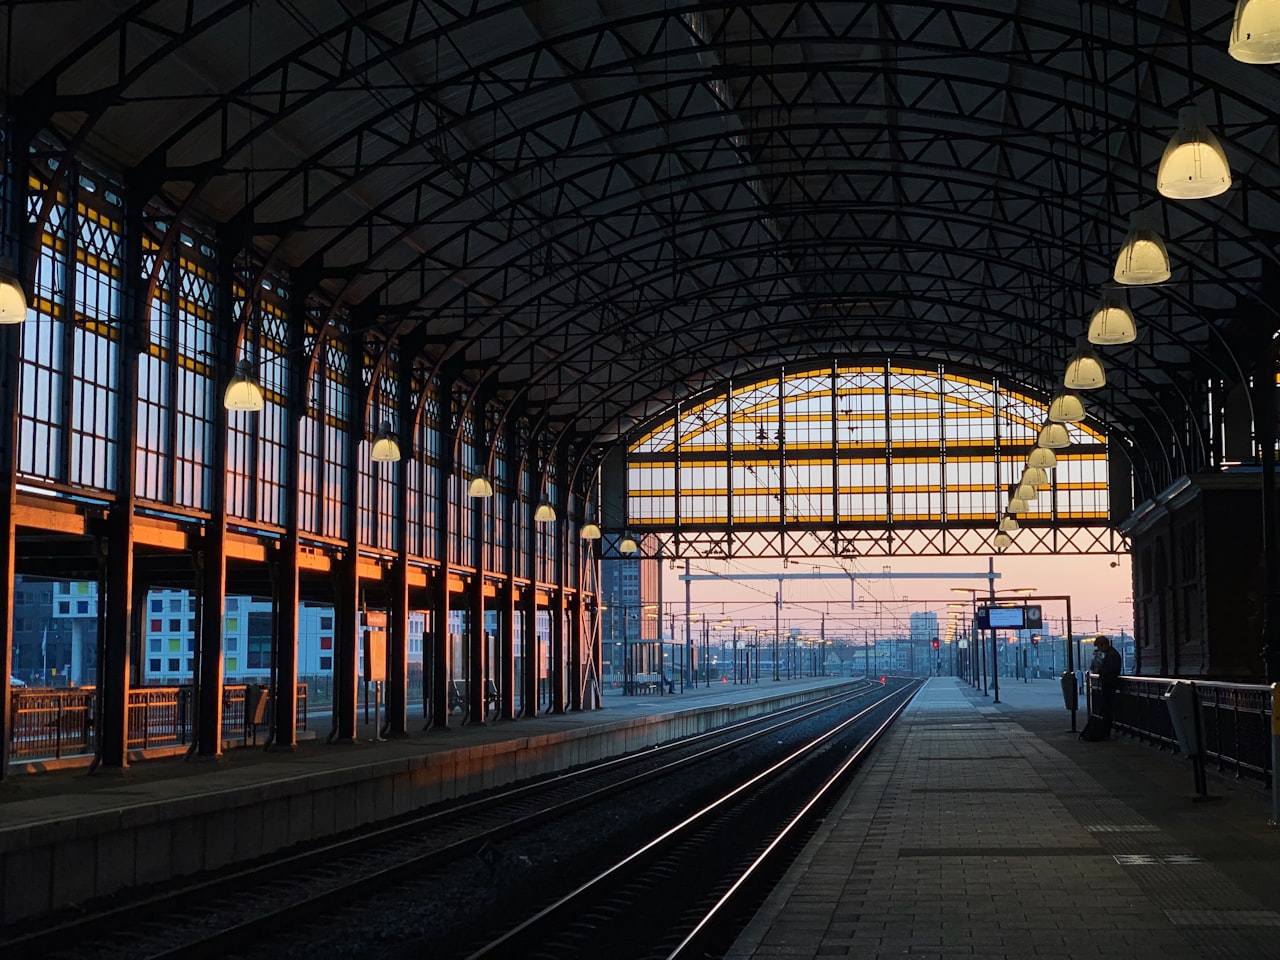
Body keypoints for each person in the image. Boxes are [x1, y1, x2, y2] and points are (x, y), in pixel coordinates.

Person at [1090, 634, 1122, 739]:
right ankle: (1105, 731)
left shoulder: (1112, 655)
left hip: (1109, 685)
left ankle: (1106, 731)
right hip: (1109, 684)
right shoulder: (1111, 654)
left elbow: (1111, 670)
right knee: (1106, 709)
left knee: (1107, 709)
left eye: (1099, 647)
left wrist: (1099, 670)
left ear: (1103, 645)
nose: (1099, 649)